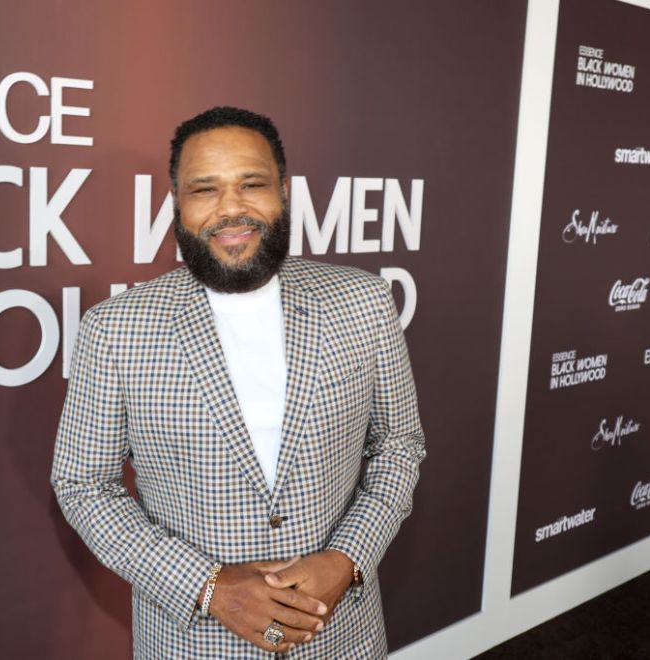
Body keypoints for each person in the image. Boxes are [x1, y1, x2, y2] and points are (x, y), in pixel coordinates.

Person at [51, 106, 425, 658]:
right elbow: (85, 485)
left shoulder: (363, 302)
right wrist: (207, 587)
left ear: (285, 191)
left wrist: (347, 559)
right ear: (178, 203)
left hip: (340, 635)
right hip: (193, 643)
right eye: (205, 190)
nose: (231, 209)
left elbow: (399, 446)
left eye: (252, 184)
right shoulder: (115, 329)